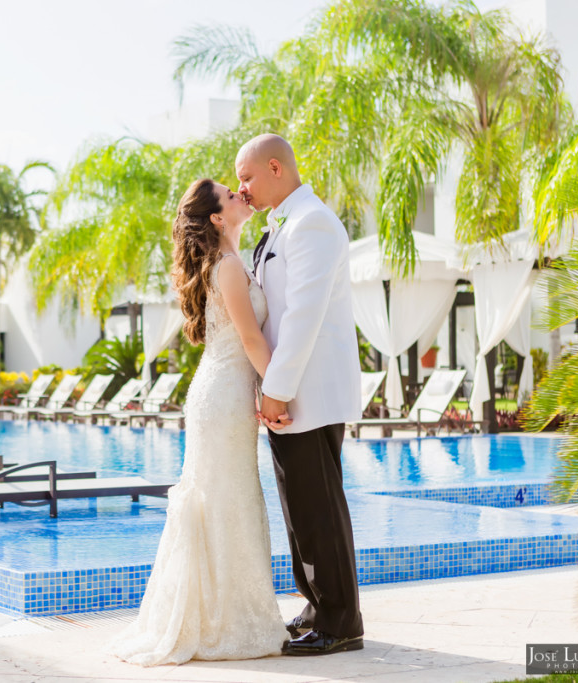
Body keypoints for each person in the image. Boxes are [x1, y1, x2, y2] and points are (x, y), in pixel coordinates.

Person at [110, 178, 288, 666]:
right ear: (215, 217)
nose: (240, 196)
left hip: (221, 393)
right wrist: (277, 392)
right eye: (230, 196)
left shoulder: (231, 262)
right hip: (224, 398)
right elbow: (252, 341)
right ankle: (221, 622)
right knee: (227, 498)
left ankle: (225, 614)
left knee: (228, 498)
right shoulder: (228, 267)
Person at [236, 134, 364, 656]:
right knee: (300, 507)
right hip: (290, 396)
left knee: (318, 509)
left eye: (246, 177)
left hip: (305, 391)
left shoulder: (311, 222)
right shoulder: (283, 222)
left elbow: (303, 318)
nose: (241, 188)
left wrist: (276, 389)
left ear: (274, 167)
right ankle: (317, 605)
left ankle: (340, 622)